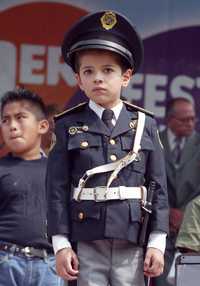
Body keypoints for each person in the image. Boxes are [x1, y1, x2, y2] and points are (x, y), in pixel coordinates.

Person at [47, 10, 169, 286]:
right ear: (79, 80)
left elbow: (158, 188)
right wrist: (61, 244)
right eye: (88, 71)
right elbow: (55, 190)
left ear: (126, 77)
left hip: (131, 238)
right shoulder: (68, 125)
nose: (98, 78)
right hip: (86, 239)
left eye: (108, 70)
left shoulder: (144, 124)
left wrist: (157, 243)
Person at [0, 88, 64, 286]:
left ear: (43, 126)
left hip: (49, 266)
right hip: (5, 262)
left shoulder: (59, 171)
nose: (12, 126)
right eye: (5, 120)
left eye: (20, 118)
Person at [154, 97, 200, 286]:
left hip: (193, 230)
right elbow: (148, 180)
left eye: (193, 119)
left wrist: (188, 213)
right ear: (170, 120)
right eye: (184, 119)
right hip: (159, 227)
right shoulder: (154, 141)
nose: (190, 123)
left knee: (188, 280)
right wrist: (167, 211)